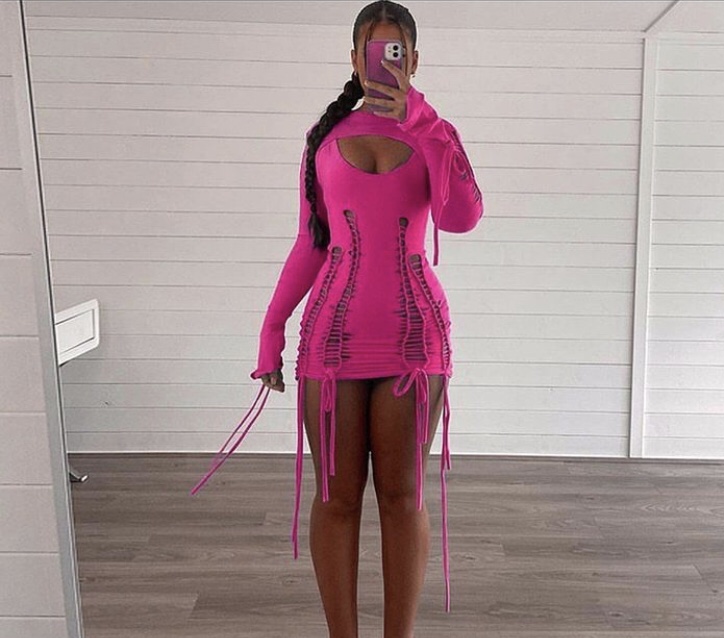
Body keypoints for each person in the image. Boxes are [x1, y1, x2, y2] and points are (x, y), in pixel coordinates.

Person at [192, 1, 482, 635]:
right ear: (353, 59)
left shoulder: (434, 132)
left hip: (414, 341)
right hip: (332, 340)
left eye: (396, 52)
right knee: (336, 499)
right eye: (374, 51)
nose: (385, 63)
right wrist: (271, 331)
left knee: (403, 498)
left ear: (414, 60)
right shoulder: (323, 138)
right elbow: (311, 243)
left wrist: (422, 118)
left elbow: (461, 218)